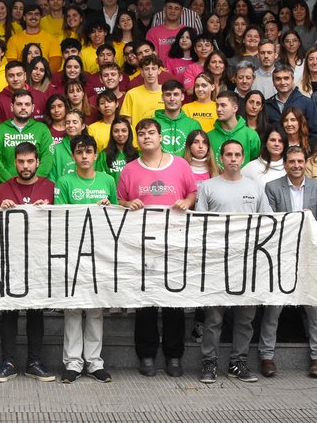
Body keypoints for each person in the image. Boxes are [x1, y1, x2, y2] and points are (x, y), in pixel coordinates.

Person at [117, 118, 198, 378]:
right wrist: (128, 204)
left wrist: (186, 202)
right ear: (136, 139)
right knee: (146, 302)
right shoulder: (129, 169)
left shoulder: (181, 165)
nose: (146, 137)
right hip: (143, 246)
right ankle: (147, 355)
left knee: (173, 301)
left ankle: (174, 356)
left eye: (151, 132)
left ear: (160, 136)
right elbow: (120, 199)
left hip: (174, 243)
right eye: (141, 134)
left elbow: (192, 193)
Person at [196, 139, 266, 385]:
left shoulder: (256, 188)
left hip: (247, 261)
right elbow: (200, 225)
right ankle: (209, 362)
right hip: (216, 261)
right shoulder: (207, 186)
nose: (234, 159)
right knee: (214, 317)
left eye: (238, 154)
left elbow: (267, 222)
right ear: (221, 157)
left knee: (246, 316)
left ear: (243, 157)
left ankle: (239, 362)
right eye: (229, 155)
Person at [0, 142, 57, 384]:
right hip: (11, 256)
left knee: (35, 311)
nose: (26, 166)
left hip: (39, 258)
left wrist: (49, 211)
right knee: (9, 310)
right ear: (14, 162)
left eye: (30, 161)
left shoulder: (50, 187)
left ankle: (34, 361)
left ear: (38, 162)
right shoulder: (3, 189)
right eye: (21, 161)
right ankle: (8, 362)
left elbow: (62, 220)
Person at [52, 134, 116, 384]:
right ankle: (72, 363)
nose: (85, 156)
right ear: (73, 156)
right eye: (80, 152)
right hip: (72, 251)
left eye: (89, 151)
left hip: (99, 251)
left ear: (96, 155)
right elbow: (60, 216)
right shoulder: (64, 181)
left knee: (95, 309)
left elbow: (117, 216)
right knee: (73, 308)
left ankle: (94, 362)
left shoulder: (108, 180)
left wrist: (108, 206)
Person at [261, 145, 317, 378]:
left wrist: (309, 234)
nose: (297, 165)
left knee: (314, 310)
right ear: (286, 163)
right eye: (292, 162)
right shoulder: (272, 188)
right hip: (281, 258)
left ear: (305, 163)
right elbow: (270, 222)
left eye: (300, 161)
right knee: (273, 309)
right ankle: (266, 356)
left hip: (309, 257)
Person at [264, 64, 317, 135]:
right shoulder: (267, 105)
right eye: (278, 79)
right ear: (273, 82)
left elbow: (315, 131)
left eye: (286, 78)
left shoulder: (307, 103)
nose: (282, 82)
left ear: (292, 80)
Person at [208, 91, 260, 163]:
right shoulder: (209, 136)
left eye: (223, 105)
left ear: (235, 108)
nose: (218, 109)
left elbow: (256, 164)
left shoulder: (251, 135)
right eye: (217, 105)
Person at [154, 79, 201, 155]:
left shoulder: (193, 125)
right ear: (162, 97)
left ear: (182, 97)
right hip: (158, 166)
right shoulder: (153, 124)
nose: (172, 99)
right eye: (168, 94)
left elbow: (198, 152)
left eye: (176, 94)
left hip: (185, 166)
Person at [242, 128, 287, 194]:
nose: (277, 144)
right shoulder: (251, 167)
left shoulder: (290, 166)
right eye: (273, 140)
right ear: (266, 142)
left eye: (280, 141)